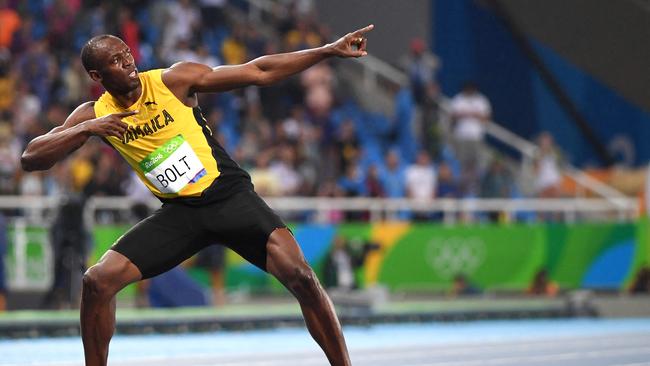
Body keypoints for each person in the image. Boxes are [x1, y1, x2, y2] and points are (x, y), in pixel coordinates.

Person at [20, 24, 375, 366]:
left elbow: (259, 71)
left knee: (301, 275)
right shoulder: (95, 114)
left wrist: (328, 50)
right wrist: (88, 128)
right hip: (180, 214)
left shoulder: (173, 80)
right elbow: (31, 158)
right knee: (96, 282)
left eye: (127, 54)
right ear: (96, 76)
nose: (127, 62)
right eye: (115, 60)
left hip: (229, 197)